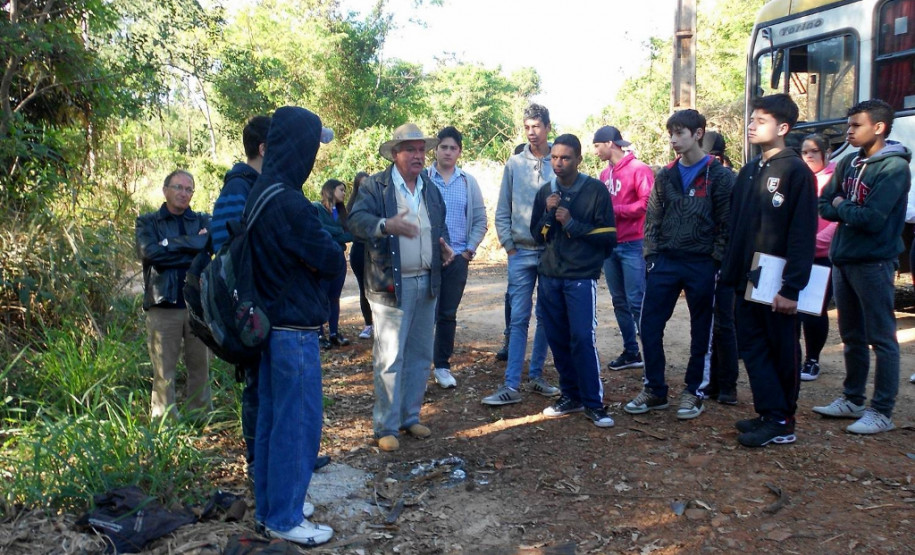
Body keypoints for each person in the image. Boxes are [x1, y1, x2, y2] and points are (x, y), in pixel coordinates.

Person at [246, 106, 341, 545]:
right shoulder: (290, 202)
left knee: (272, 421)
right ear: (298, 147)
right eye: (312, 146)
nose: (314, 157)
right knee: (297, 425)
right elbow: (329, 255)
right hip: (293, 333)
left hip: (267, 328)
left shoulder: (261, 191)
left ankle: (272, 508)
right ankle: (285, 517)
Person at [348, 123, 455, 452]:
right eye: (411, 150)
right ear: (395, 154)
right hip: (390, 284)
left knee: (420, 354)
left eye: (423, 150)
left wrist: (444, 246)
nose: (419, 156)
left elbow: (437, 227)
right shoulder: (376, 188)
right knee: (390, 356)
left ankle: (410, 417)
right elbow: (354, 220)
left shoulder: (430, 188)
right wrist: (384, 225)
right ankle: (386, 425)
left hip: (426, 281)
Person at [623, 109, 733, 420]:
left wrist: (715, 260)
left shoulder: (720, 176)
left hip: (702, 264)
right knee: (649, 325)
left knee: (702, 330)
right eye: (671, 133)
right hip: (666, 262)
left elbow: (727, 223)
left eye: (681, 133)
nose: (674, 139)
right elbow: (652, 218)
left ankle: (693, 391)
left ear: (698, 134)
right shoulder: (665, 175)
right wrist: (651, 257)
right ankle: (655, 389)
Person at [721, 94, 817, 448]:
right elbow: (736, 228)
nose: (752, 125)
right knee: (753, 347)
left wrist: (792, 288)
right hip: (747, 280)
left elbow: (802, 232)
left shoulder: (796, 172)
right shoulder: (749, 171)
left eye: (761, 120)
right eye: (752, 118)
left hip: (777, 283)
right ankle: (768, 411)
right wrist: (730, 274)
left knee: (781, 348)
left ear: (783, 128)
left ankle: (783, 419)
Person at [814, 99, 911, 434]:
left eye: (856, 125)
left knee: (882, 338)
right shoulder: (850, 163)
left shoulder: (895, 168)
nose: (849, 131)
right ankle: (853, 398)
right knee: (851, 335)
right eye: (849, 125)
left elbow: (871, 219)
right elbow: (823, 203)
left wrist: (842, 205)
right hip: (843, 258)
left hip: (873, 261)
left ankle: (882, 411)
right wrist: (844, 206)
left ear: (879, 127)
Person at [532, 134, 617, 427]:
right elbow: (536, 235)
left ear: (579, 159)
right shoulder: (546, 191)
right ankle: (571, 396)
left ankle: (594, 403)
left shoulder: (595, 191)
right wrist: (547, 212)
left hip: (580, 277)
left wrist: (571, 224)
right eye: (554, 157)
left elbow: (608, 236)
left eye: (565, 157)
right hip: (550, 276)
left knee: (582, 337)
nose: (559, 163)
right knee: (557, 337)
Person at [485, 103, 559, 405]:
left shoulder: (560, 158)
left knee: (546, 316)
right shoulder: (514, 164)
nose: (531, 132)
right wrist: (509, 244)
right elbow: (503, 208)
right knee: (518, 318)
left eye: (537, 126)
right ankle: (511, 384)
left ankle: (537, 376)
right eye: (527, 126)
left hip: (552, 252)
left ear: (547, 127)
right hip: (521, 252)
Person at [210, 115, 269, 477]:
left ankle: (273, 452)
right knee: (257, 385)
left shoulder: (259, 184)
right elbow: (225, 247)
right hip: (251, 305)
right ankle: (255, 459)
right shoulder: (238, 188)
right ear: (264, 148)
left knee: (270, 383)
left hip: (267, 302)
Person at [136, 170, 211, 421]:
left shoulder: (201, 220)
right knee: (163, 370)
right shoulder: (148, 222)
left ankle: (200, 417)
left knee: (200, 366)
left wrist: (169, 244)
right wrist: (191, 245)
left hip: (195, 305)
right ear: (165, 189)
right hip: (163, 304)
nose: (184, 193)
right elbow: (150, 254)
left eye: (189, 189)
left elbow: (207, 249)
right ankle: (165, 421)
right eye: (178, 187)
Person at [427, 126, 488, 388]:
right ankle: (418, 366)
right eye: (444, 147)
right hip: (428, 258)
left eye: (453, 148)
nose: (448, 152)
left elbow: (480, 218)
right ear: (436, 150)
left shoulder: (467, 181)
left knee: (447, 314)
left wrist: (468, 250)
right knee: (423, 313)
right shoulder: (424, 178)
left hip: (457, 260)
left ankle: (442, 366)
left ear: (459, 152)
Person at [592, 125, 652, 371]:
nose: (594, 151)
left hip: (633, 244)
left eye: (597, 145)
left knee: (637, 300)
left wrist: (615, 212)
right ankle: (631, 351)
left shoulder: (640, 169)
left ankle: (651, 352)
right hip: (611, 244)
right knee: (619, 301)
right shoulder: (604, 175)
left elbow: (647, 204)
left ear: (610, 143)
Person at [702, 130, 739, 405]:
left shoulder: (729, 180)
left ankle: (728, 384)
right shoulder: (699, 177)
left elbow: (729, 225)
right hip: (703, 259)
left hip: (725, 261)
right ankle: (713, 381)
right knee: (709, 322)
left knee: (724, 323)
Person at [798, 133, 838, 381]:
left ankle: (812, 359)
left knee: (814, 311)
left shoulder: (835, 179)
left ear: (827, 152)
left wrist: (813, 245)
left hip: (821, 256)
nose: (809, 156)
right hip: (796, 254)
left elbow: (836, 223)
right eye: (805, 152)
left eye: (814, 151)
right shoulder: (799, 177)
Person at [314, 179, 353, 350]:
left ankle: (334, 333)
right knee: (320, 296)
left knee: (335, 297)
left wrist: (336, 234)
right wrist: (338, 233)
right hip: (322, 259)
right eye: (341, 190)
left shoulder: (337, 212)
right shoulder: (317, 208)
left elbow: (349, 235)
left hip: (339, 259)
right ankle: (319, 334)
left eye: (344, 190)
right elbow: (319, 229)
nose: (344, 193)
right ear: (330, 190)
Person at [347, 172, 374, 339]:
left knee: (379, 288)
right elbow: (350, 228)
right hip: (359, 249)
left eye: (367, 183)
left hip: (376, 249)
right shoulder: (351, 206)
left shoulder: (379, 201)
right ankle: (368, 324)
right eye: (361, 184)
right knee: (364, 289)